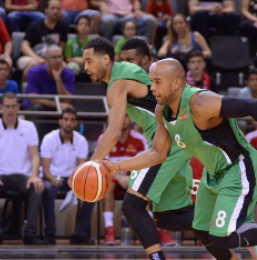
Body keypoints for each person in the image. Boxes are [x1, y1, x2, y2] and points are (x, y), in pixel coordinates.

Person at [99, 58, 257, 260]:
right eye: (151, 81)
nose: (151, 87)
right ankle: (249, 230)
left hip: (238, 167)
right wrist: (116, 166)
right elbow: (157, 153)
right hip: (212, 174)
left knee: (223, 237)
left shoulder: (200, 103)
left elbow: (253, 106)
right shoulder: (161, 110)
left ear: (176, 83)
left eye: (157, 81)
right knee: (203, 230)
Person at [81, 37, 194, 260]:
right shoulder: (125, 72)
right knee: (169, 218)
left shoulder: (117, 82)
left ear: (105, 59)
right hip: (180, 138)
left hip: (168, 141)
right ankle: (232, 223)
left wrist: (88, 166)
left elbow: (113, 132)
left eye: (88, 61)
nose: (85, 67)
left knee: (132, 206)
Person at [0, 92, 44, 245]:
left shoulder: (29, 127)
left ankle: (30, 234)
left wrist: (34, 175)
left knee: (37, 188)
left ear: (18, 107)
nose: (10, 110)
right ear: (1, 107)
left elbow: (35, 156)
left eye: (13, 106)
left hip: (22, 176)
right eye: (7, 106)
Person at [41, 108, 95, 245]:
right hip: (51, 177)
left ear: (76, 123)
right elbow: (45, 170)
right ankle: (50, 233)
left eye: (72, 120)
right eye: (65, 119)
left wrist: (74, 181)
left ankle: (80, 234)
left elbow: (81, 168)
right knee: (47, 189)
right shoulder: (49, 138)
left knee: (91, 191)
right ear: (60, 121)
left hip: (73, 178)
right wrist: (53, 179)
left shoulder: (81, 140)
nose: (68, 123)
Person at [101, 115, 148, 245]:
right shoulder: (105, 138)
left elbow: (146, 164)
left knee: (146, 184)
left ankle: (150, 231)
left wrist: (131, 177)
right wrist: (118, 176)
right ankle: (109, 229)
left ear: (131, 119)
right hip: (113, 179)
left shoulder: (139, 139)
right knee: (108, 184)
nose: (122, 119)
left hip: (133, 179)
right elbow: (99, 165)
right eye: (120, 116)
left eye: (126, 116)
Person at [18, 0, 68, 81]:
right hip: (31, 57)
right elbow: (24, 46)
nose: (55, 11)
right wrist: (38, 59)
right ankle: (24, 90)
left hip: (52, 57)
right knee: (33, 64)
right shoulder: (35, 26)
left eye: (58, 9)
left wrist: (54, 59)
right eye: (52, 8)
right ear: (46, 10)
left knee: (64, 66)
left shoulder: (63, 27)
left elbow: (61, 47)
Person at [26, 45, 75, 111]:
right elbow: (34, 100)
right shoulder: (34, 72)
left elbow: (67, 100)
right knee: (37, 107)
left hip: (58, 109)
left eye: (60, 57)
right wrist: (58, 105)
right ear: (46, 59)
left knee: (68, 109)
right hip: (39, 109)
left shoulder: (69, 74)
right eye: (54, 57)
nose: (58, 60)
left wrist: (58, 79)